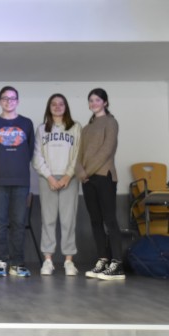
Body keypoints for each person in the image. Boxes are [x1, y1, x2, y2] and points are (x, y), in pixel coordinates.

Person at [0, 86, 34, 277]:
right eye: (5, 98)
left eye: (12, 98)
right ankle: (1, 261)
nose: (9, 101)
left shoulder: (27, 123)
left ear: (18, 101)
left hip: (21, 180)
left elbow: (29, 151)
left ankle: (17, 263)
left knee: (18, 222)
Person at [75, 88, 124, 280]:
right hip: (87, 180)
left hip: (104, 177)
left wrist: (87, 171)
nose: (93, 103)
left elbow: (107, 150)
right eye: (91, 100)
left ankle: (117, 263)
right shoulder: (86, 128)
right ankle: (103, 260)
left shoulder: (111, 122)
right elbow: (78, 154)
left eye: (97, 100)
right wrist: (81, 172)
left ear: (105, 102)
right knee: (95, 221)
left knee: (109, 220)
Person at [33, 94, 81, 276]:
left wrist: (68, 176)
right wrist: (50, 178)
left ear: (66, 107)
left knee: (69, 220)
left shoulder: (75, 128)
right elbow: (37, 157)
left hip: (70, 178)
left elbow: (78, 154)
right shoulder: (41, 129)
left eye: (61, 104)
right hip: (48, 179)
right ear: (49, 107)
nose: (57, 107)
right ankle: (48, 260)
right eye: (53, 104)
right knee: (48, 219)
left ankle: (69, 260)